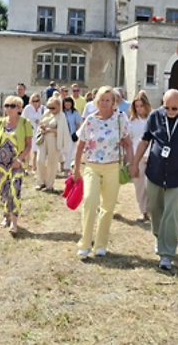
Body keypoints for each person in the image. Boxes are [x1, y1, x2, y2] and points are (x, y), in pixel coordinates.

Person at [132, 90, 178, 270]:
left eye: (174, 108)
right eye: (167, 108)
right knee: (154, 209)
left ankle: (167, 253)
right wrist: (135, 163)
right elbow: (144, 141)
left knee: (171, 213)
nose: (170, 111)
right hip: (155, 172)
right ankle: (159, 237)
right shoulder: (155, 117)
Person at [73, 86, 133, 258]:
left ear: (114, 102)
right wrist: (76, 168)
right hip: (92, 166)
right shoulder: (90, 120)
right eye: (101, 100)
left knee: (107, 207)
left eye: (108, 100)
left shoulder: (120, 119)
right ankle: (85, 243)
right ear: (96, 102)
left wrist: (131, 164)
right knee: (89, 202)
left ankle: (100, 244)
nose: (105, 103)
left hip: (112, 167)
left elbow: (128, 144)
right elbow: (80, 145)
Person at [0, 95, 31, 236]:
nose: (9, 108)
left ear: (19, 108)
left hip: (16, 163)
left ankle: (14, 221)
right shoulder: (0, 123)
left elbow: (28, 146)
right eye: (6, 105)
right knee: (2, 190)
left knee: (15, 190)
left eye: (12, 106)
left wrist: (19, 159)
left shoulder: (25, 123)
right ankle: (6, 214)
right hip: (1, 164)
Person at [35, 97, 70, 192]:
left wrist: (50, 130)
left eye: (53, 108)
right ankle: (41, 181)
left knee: (52, 163)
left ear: (59, 106)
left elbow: (62, 131)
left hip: (54, 140)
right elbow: (40, 124)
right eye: (49, 107)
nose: (50, 109)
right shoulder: (46, 113)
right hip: (43, 139)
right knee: (40, 160)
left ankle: (49, 184)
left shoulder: (61, 116)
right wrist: (42, 128)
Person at [128, 91, 153, 222]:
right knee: (139, 186)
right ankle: (143, 211)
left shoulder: (153, 119)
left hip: (152, 156)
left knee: (151, 186)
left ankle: (153, 210)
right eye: (136, 106)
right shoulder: (131, 122)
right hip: (137, 157)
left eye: (141, 106)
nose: (139, 109)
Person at [21, 94, 44, 172]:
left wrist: (40, 122)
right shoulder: (28, 108)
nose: (35, 103)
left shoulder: (43, 109)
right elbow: (23, 119)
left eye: (37, 101)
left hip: (38, 132)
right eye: (34, 101)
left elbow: (46, 119)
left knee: (36, 151)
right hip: (29, 131)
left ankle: (34, 167)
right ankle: (26, 167)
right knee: (27, 150)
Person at [62, 97, 83, 172]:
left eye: (69, 103)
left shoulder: (74, 113)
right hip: (62, 134)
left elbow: (78, 124)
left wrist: (76, 134)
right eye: (66, 103)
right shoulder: (61, 112)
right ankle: (63, 164)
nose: (67, 105)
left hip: (71, 134)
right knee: (62, 151)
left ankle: (67, 167)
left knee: (69, 151)